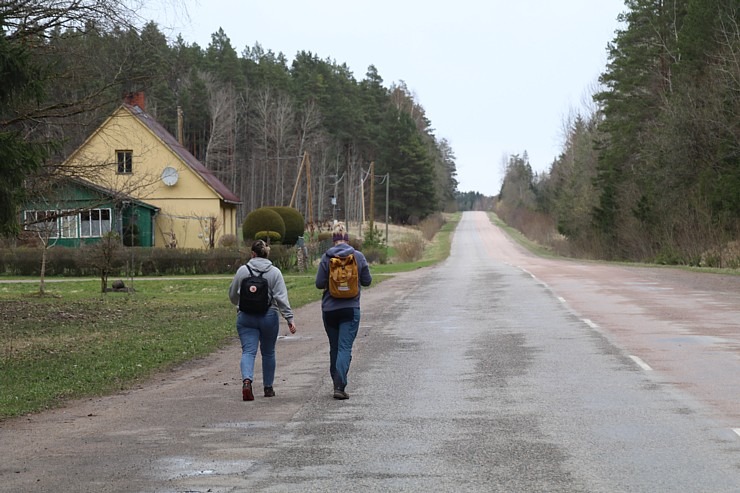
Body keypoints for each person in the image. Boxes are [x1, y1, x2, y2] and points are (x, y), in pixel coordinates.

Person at [229, 240, 297, 401]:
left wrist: (239, 304)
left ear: (252, 254)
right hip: (269, 316)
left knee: (248, 351)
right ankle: (268, 387)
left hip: (246, 317)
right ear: (267, 254)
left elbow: (233, 295)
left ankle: (247, 381)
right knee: (268, 352)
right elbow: (281, 298)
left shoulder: (242, 271)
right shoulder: (275, 272)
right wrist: (289, 318)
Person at [315, 222, 372, 399]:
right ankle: (340, 385)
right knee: (344, 347)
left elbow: (318, 284)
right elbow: (367, 281)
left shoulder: (326, 257)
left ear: (333, 241)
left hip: (330, 310)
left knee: (334, 347)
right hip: (350, 308)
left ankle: (336, 382)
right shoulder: (358, 257)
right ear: (347, 240)